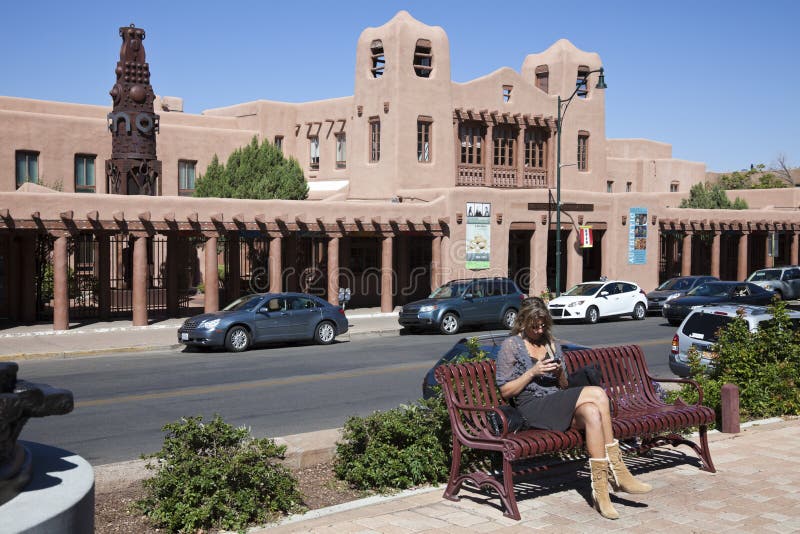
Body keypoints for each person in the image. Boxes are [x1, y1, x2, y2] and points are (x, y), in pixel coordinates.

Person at [495, 297, 652, 519]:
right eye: (535, 326)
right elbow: (505, 390)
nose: (540, 329)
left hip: (556, 402)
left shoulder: (551, 342)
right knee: (597, 393)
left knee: (591, 412)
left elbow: (565, 386)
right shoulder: (511, 345)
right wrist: (533, 372)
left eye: (543, 324)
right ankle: (619, 471)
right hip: (532, 407)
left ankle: (601, 493)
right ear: (523, 322)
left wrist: (559, 373)